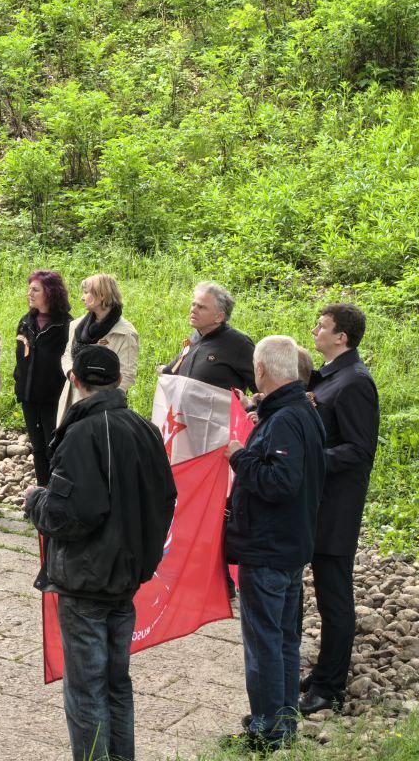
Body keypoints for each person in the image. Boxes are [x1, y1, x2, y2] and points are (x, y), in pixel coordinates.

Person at [24, 345, 176, 761]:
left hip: (87, 581)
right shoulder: (144, 429)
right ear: (117, 381)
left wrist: (36, 501)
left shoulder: (82, 433)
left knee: (87, 689)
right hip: (125, 578)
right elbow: (166, 500)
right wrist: (145, 560)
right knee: (116, 684)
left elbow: (71, 514)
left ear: (74, 381)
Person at [222, 336, 326, 752]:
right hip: (291, 541)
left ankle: (266, 728)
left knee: (266, 641)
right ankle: (282, 722)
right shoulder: (304, 411)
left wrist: (238, 456)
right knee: (283, 638)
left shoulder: (285, 419)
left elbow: (280, 482)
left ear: (261, 370)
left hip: (269, 546)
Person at [301, 304, 380, 715]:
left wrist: (309, 457)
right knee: (323, 592)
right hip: (315, 503)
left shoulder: (355, 383)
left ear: (342, 337)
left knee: (334, 597)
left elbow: (359, 449)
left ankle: (328, 686)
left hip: (335, 507)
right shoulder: (330, 374)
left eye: (322, 326)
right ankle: (321, 672)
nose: (315, 330)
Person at [13, 270, 72, 486]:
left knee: (53, 447)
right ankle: (42, 492)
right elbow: (20, 359)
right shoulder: (26, 321)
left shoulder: (67, 325)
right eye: (29, 288)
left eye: (35, 289)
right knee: (37, 447)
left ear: (50, 293)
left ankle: (57, 495)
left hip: (54, 398)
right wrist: (19, 381)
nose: (30, 293)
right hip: (29, 397)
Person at [58, 273, 138, 421]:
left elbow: (127, 375)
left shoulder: (125, 333)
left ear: (102, 295)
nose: (82, 297)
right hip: (73, 398)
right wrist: (71, 373)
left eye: (86, 292)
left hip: (105, 408)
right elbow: (67, 355)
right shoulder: (76, 325)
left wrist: (97, 400)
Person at [159, 281, 256, 393]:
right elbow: (173, 370)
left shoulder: (239, 344)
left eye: (201, 307)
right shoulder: (195, 336)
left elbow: (263, 390)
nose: (193, 310)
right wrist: (162, 371)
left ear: (219, 317)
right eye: (193, 304)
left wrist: (251, 406)